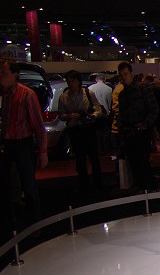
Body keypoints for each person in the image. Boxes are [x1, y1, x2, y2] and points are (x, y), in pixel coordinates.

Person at [0, 57, 48, 240]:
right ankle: (9, 225)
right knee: (5, 185)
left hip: (22, 144)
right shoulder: (5, 95)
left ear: (15, 75)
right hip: (7, 144)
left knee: (29, 186)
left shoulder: (26, 94)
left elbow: (39, 127)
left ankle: (36, 225)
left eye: (4, 73)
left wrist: (43, 152)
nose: (1, 76)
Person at [58, 70, 103, 192]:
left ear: (78, 81)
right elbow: (61, 115)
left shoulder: (88, 93)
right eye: (68, 81)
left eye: (72, 80)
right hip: (75, 129)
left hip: (88, 127)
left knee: (93, 156)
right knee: (79, 158)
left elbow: (98, 110)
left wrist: (91, 116)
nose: (70, 83)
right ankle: (84, 183)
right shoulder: (63, 97)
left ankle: (97, 182)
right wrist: (70, 116)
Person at [117, 62, 159, 191]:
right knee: (134, 162)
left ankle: (150, 187)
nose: (124, 77)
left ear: (131, 73)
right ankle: (143, 187)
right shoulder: (122, 94)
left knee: (143, 161)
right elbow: (122, 115)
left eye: (125, 74)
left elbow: (154, 109)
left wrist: (145, 125)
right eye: (121, 75)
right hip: (129, 132)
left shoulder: (143, 89)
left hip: (141, 131)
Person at [89, 73, 113, 154]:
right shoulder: (109, 89)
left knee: (97, 133)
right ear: (104, 79)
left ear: (96, 79)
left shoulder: (90, 88)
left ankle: (98, 149)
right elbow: (109, 104)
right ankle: (105, 149)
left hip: (95, 113)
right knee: (105, 133)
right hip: (105, 114)